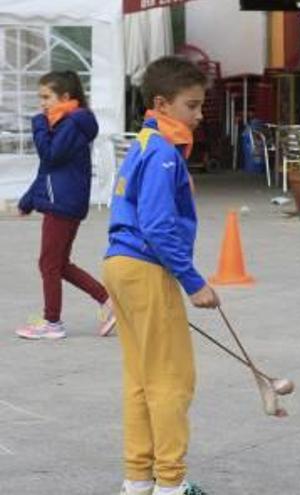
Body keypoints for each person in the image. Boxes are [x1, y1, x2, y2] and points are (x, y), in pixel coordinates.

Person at [104, 56, 220, 495]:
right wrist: (194, 282)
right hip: (144, 267)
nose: (198, 114)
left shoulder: (144, 143)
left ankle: (138, 478)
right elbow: (156, 225)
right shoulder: (164, 154)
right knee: (172, 379)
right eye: (190, 106)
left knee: (140, 379)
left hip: (121, 264)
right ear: (161, 103)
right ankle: (171, 482)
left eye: (199, 105)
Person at [16, 70, 116, 340]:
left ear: (66, 97)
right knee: (58, 264)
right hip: (62, 201)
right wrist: (28, 201)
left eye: (46, 97)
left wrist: (38, 125)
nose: (42, 103)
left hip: (62, 204)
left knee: (49, 264)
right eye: (41, 97)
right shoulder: (65, 123)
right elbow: (49, 168)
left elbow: (49, 155)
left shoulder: (70, 124)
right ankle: (107, 301)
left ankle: (52, 322)